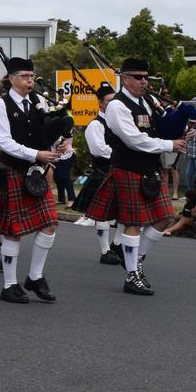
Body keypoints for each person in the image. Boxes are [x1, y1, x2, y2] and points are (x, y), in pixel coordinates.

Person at [85, 58, 189, 296]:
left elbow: (160, 128)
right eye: (138, 77)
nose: (144, 81)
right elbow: (134, 139)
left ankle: (135, 259)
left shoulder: (149, 101)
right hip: (128, 170)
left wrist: (183, 128)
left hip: (151, 170)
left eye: (146, 77)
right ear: (124, 78)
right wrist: (168, 145)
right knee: (132, 223)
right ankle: (131, 276)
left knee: (165, 218)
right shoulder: (117, 106)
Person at [0, 56, 67, 304]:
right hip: (13, 171)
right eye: (24, 76)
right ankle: (9, 284)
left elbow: (44, 133)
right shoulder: (1, 105)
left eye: (31, 76)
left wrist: (61, 145)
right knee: (14, 232)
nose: (29, 81)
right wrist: (35, 154)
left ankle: (35, 276)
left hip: (36, 172)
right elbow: (3, 141)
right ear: (11, 79)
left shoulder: (37, 102)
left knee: (50, 224)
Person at [75, 83, 121, 265]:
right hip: (104, 171)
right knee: (103, 214)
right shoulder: (95, 125)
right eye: (109, 101)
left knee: (124, 212)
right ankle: (105, 250)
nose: (112, 104)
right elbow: (99, 150)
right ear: (100, 104)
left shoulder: (120, 122)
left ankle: (117, 244)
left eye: (115, 100)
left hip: (120, 171)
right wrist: (123, 152)